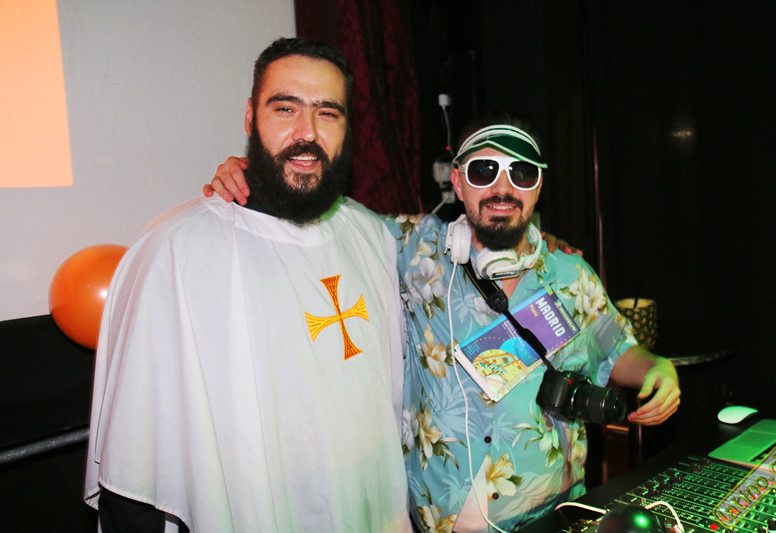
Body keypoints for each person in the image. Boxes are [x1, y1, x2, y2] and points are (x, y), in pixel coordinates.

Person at [207, 114, 680, 531]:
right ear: (457, 181)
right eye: (483, 171)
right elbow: (326, 216)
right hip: (441, 520)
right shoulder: (410, 248)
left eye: (521, 172)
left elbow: (618, 348)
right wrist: (258, 177)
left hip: (554, 515)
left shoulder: (571, 274)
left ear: (538, 185)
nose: (502, 189)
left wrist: (657, 367)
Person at [84, 38, 412, 532]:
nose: (307, 132)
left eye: (328, 112)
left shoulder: (372, 235)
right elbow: (136, 462)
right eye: (285, 108)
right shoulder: (175, 251)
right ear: (249, 117)